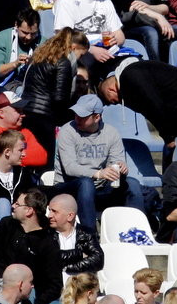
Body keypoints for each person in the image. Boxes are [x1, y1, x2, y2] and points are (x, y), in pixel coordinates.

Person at [53, 94, 146, 233]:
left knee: (132, 184)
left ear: (97, 117)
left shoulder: (111, 133)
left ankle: (137, 232)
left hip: (100, 187)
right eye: (76, 114)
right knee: (85, 183)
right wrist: (98, 173)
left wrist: (120, 167)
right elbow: (70, 168)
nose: (77, 118)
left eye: (83, 116)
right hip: (69, 187)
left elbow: (116, 160)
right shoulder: (68, 131)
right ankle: (90, 236)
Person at [0, 188, 62, 304]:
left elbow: (54, 284)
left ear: (29, 211)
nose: (13, 206)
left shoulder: (48, 241)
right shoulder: (6, 225)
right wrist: (7, 277)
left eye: (17, 204)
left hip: (30, 296)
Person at [22, 28, 90, 168]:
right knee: (46, 162)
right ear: (74, 47)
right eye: (81, 55)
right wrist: (70, 116)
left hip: (27, 111)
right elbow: (60, 98)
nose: (80, 59)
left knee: (31, 158)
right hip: (44, 116)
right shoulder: (63, 62)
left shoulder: (41, 55)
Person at [53, 0, 125, 64]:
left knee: (131, 62)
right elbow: (64, 37)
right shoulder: (66, 0)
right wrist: (91, 50)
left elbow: (119, 34)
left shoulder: (105, 1)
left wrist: (115, 40)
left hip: (106, 53)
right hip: (78, 53)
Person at [0, 91, 47, 168]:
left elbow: (41, 156)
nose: (23, 115)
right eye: (18, 111)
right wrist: (23, 155)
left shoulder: (24, 131)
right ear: (1, 113)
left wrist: (11, 157)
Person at [48, 193, 104, 276]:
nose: (49, 215)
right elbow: (48, 257)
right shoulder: (45, 233)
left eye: (54, 211)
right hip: (53, 286)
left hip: (79, 286)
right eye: (49, 210)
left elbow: (98, 261)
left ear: (70, 216)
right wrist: (79, 254)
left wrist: (68, 269)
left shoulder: (86, 233)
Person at [0, 8, 43, 88]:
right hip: (5, 86)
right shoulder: (2, 38)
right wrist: (15, 64)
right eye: (25, 32)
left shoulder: (43, 43)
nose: (28, 37)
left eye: (33, 33)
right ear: (16, 25)